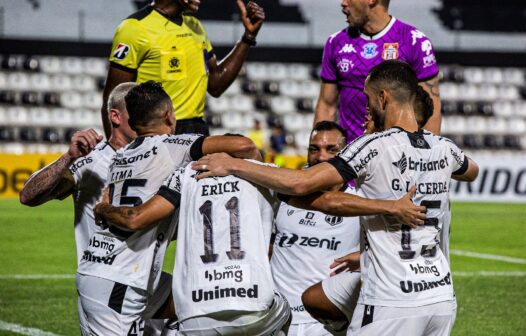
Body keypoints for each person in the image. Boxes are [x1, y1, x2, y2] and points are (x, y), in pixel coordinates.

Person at [193, 60, 479, 335]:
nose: (365, 107)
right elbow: (472, 171)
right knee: (317, 298)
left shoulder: (371, 145)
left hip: (391, 298)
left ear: (383, 98)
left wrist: (234, 164)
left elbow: (303, 183)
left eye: (367, 100)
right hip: (439, 296)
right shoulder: (445, 149)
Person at [77, 81, 259, 336]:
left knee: (191, 302)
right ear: (169, 116)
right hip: (120, 281)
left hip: (108, 269)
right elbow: (245, 146)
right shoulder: (172, 147)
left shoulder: (119, 157)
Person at [18, 83, 166, 334]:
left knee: (195, 307)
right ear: (115, 117)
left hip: (146, 280)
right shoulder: (90, 161)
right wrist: (68, 157)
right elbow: (28, 196)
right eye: (137, 112)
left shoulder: (158, 155)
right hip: (106, 284)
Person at [94, 159, 293, 335]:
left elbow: (138, 218)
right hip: (252, 309)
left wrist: (103, 208)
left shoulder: (187, 172)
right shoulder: (265, 172)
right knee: (285, 312)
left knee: (173, 324)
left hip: (193, 315)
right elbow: (302, 187)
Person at [101, 0, 265, 137]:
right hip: (156, 131)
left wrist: (248, 37)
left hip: (197, 130)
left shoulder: (195, 26)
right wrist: (115, 155)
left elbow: (216, 85)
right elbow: (112, 101)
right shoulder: (134, 28)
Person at [270, 121, 360, 336]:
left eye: (331, 150)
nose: (321, 157)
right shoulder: (282, 196)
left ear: (346, 153)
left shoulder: (360, 202)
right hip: (276, 318)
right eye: (314, 149)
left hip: (325, 323)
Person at [314, 0, 441, 142]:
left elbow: (431, 109)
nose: (343, 3)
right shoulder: (336, 42)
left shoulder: (415, 41)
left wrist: (426, 155)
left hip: (396, 154)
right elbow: (326, 105)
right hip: (349, 154)